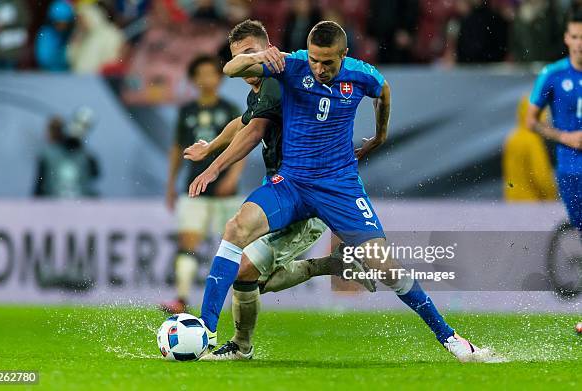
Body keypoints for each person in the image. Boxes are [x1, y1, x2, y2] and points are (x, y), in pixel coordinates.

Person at [191, 20, 498, 362]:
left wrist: (380, 135)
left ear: (344, 56)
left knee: (385, 266)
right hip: (291, 182)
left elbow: (383, 91)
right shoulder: (290, 65)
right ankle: (206, 328)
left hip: (338, 186)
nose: (319, 69)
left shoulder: (359, 73)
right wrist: (260, 57)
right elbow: (232, 70)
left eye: (328, 63)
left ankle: (451, 338)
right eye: (315, 61)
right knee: (236, 230)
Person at [183, 20, 375, 360]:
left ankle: (237, 344)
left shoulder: (276, 79)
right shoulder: (261, 88)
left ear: (266, 49)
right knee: (249, 278)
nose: (243, 63)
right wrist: (210, 146)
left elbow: (255, 131)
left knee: (246, 275)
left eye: (248, 54)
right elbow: (243, 122)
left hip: (306, 196)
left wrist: (213, 168)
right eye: (235, 56)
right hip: (282, 190)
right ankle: (332, 265)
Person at [161, 55, 243, 314]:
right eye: (201, 74)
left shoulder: (230, 110)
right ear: (194, 79)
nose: (206, 79)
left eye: (211, 74)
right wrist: (171, 184)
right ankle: (182, 298)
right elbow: (177, 149)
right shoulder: (187, 112)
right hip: (194, 187)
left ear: (219, 78)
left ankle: (238, 297)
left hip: (224, 191)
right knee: (188, 242)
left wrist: (232, 178)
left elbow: (243, 144)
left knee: (232, 246)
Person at [527, 8, 582, 232]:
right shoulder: (553, 74)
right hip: (571, 167)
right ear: (566, 38)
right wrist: (564, 136)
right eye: (576, 37)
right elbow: (530, 121)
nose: (580, 43)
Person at [503, 95, 558, 202]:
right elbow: (541, 177)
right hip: (531, 202)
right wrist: (552, 199)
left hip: (512, 199)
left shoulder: (513, 137)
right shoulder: (532, 141)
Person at [34, 111, 100, 198]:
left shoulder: (87, 158)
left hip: (80, 206)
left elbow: (95, 173)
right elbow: (39, 186)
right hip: (52, 207)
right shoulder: (47, 155)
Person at [35, 0, 75, 71]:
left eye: (65, 23)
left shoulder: (71, 33)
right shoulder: (46, 34)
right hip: (49, 74)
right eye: (58, 23)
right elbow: (44, 59)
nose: (61, 26)